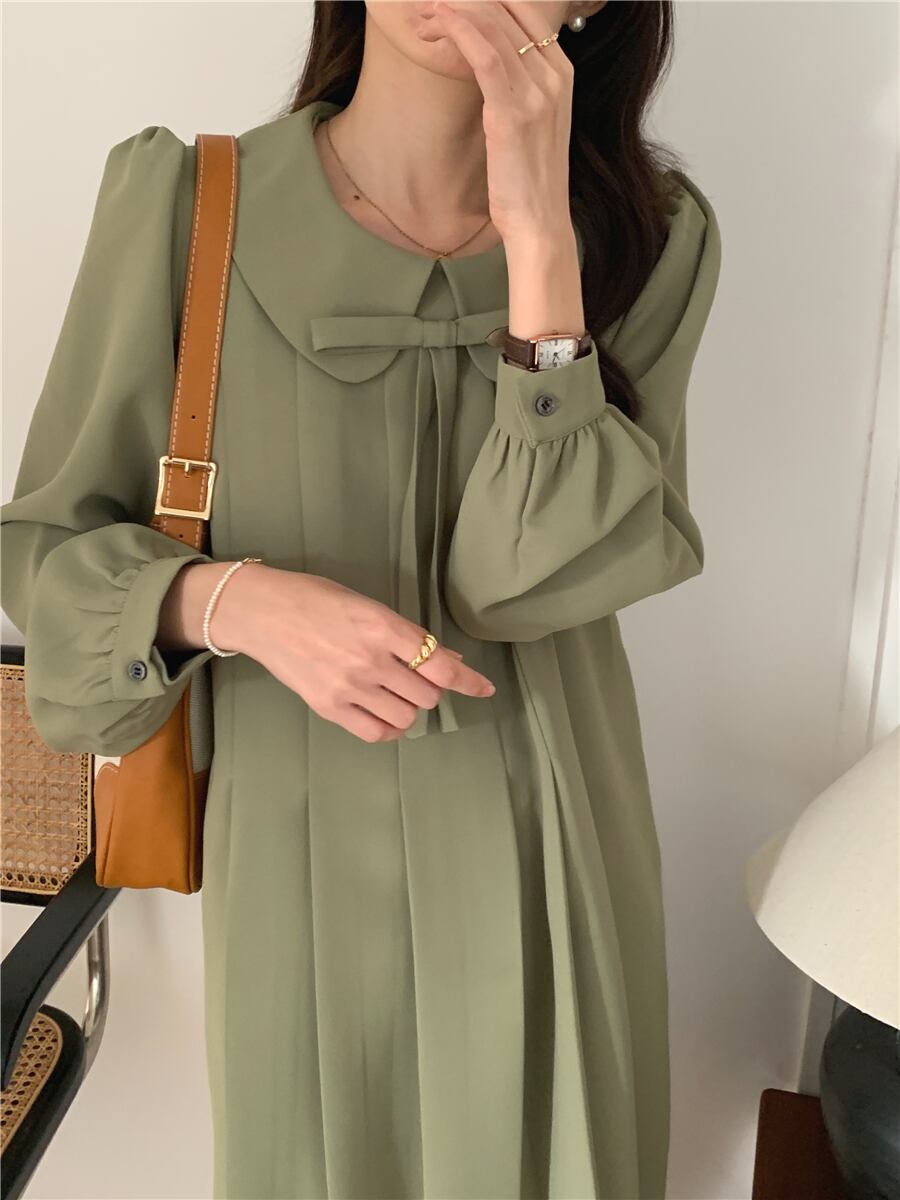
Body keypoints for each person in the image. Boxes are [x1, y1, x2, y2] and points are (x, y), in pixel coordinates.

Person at [0, 1, 722, 1197]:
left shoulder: (653, 236)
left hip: (553, 832)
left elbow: (527, 581)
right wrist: (234, 602)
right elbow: (48, 557)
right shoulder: (187, 205)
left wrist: (541, 243)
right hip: (295, 850)